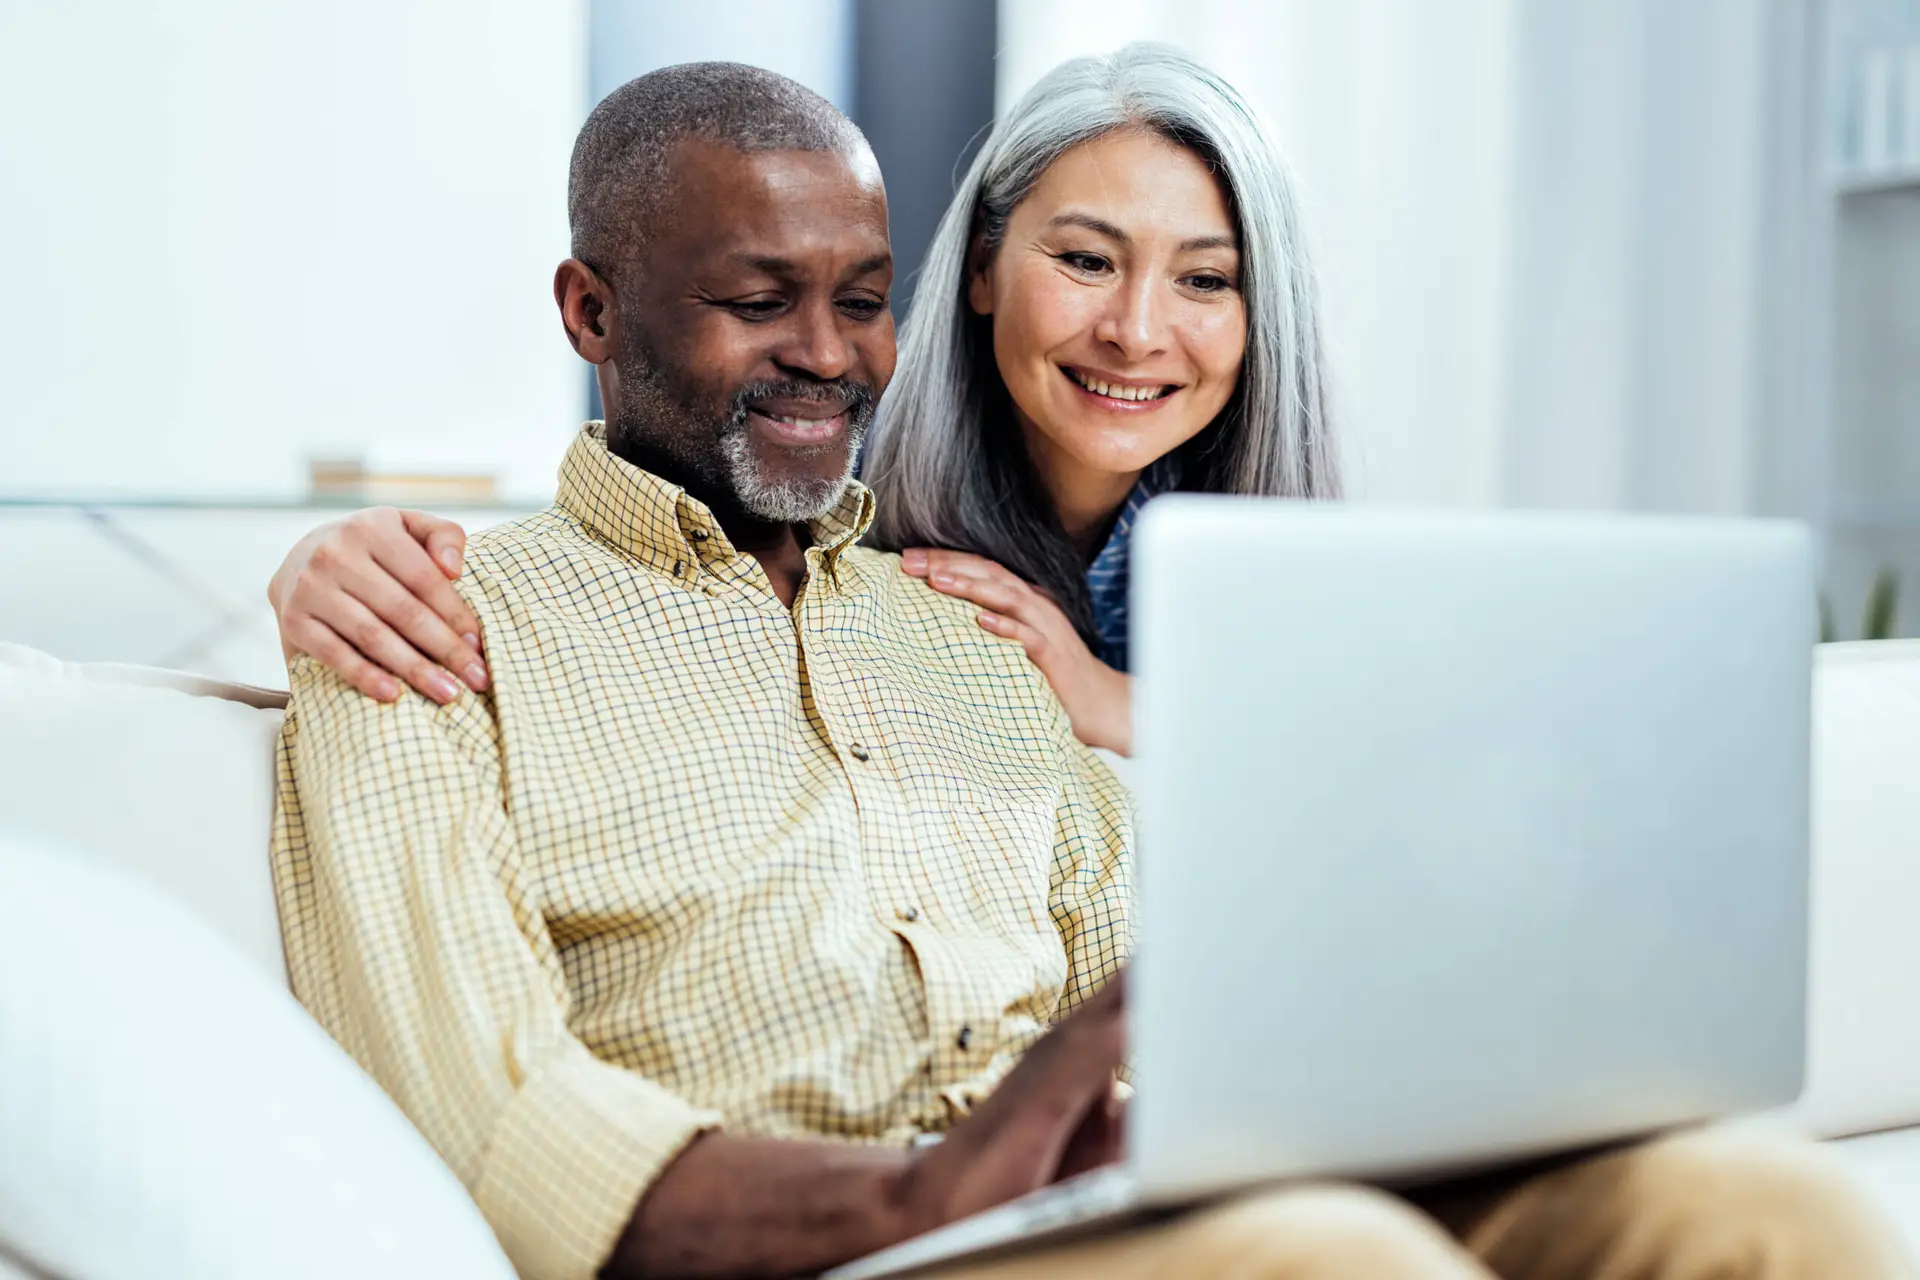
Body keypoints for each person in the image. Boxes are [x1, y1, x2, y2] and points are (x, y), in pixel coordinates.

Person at [270, 52, 1911, 1280]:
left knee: (1764, 1205)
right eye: (756, 300)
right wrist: (921, 1192)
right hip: (866, 1231)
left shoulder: (965, 618)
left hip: (1110, 1191)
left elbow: (1161, 968)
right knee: (1333, 1262)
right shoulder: (431, 627)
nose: (828, 354)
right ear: (589, 310)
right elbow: (496, 1110)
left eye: (855, 300)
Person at [265, 48, 1339, 758]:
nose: (1139, 330)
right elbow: (631, 566)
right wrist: (337, 567)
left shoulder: (1286, 559)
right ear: (978, 268)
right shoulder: (821, 474)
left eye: (1207, 279)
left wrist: (1116, 704)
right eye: (1087, 260)